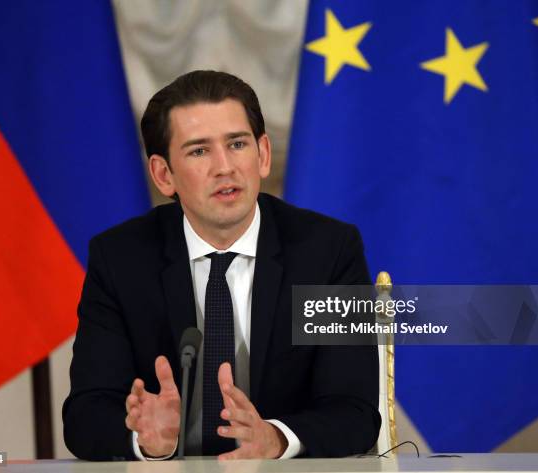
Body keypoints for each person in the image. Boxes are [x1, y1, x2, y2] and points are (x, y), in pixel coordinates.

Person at [62, 70, 381, 461]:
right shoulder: (121, 259)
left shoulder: (328, 252)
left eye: (237, 144)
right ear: (164, 175)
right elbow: (85, 415)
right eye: (199, 151)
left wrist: (276, 440)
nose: (224, 167)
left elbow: (355, 411)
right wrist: (146, 441)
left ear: (262, 155)